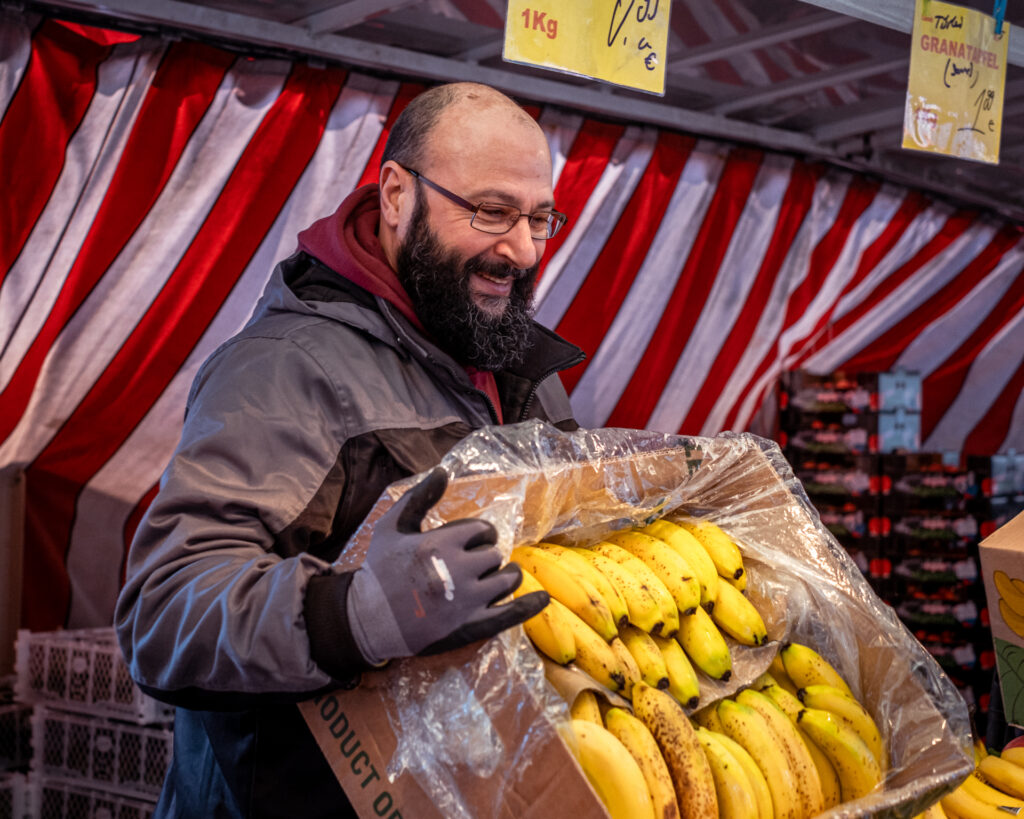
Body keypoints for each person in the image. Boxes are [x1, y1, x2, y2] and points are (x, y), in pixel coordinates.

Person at [114, 82, 585, 818]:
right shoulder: (283, 369)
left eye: (540, 218)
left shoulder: (522, 371)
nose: (522, 250)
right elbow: (161, 614)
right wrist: (352, 614)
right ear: (396, 194)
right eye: (491, 212)